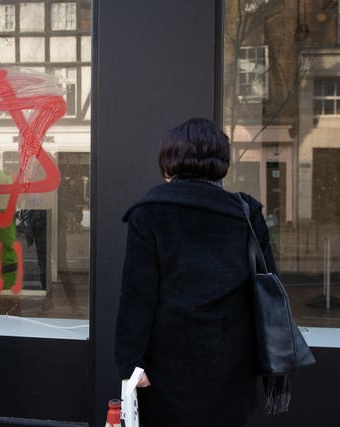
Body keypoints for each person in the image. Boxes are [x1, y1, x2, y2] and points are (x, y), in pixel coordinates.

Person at [114, 117, 276, 427]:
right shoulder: (246, 213)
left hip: (166, 365)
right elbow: (267, 285)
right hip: (233, 361)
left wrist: (130, 364)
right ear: (221, 162)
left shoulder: (149, 213)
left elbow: (137, 296)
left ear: (169, 163)